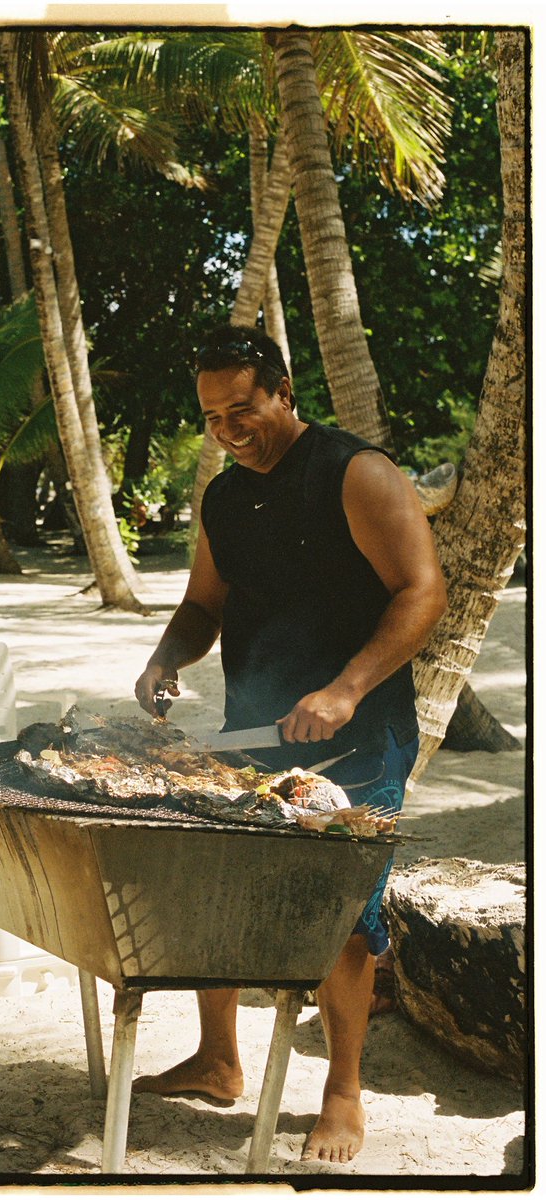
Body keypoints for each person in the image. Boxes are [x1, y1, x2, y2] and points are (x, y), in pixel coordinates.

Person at [133, 324, 447, 1164]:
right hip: (252, 728)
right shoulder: (225, 498)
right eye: (212, 417)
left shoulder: (354, 472)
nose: (230, 428)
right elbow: (205, 604)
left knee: (341, 915)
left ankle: (342, 1096)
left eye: (244, 407)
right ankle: (217, 1058)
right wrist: (166, 658)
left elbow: (423, 590)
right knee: (216, 885)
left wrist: (345, 688)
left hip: (361, 733)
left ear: (282, 392)